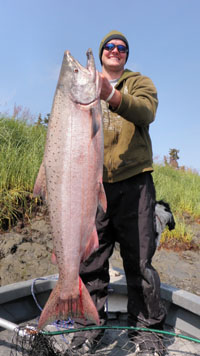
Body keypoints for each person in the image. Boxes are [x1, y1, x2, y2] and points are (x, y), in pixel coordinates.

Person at [71, 30, 167, 356]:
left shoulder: (140, 83)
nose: (115, 50)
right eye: (109, 47)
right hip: (94, 185)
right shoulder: (83, 90)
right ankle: (88, 328)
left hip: (135, 183)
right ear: (101, 54)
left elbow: (146, 112)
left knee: (139, 262)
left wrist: (109, 93)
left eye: (121, 47)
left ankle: (147, 331)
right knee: (92, 261)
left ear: (126, 55)